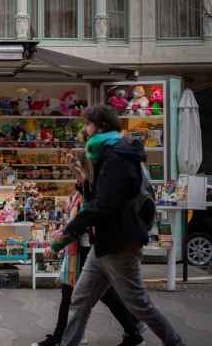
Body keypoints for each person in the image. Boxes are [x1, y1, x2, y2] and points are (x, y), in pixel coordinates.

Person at [54, 105, 184, 346]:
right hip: (104, 242)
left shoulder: (117, 157)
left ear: (100, 127)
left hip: (120, 243)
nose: (85, 130)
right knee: (80, 299)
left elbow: (103, 205)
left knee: (140, 306)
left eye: (87, 124)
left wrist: (68, 232)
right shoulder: (110, 153)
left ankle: (175, 342)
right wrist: (82, 178)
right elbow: (102, 198)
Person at [33, 152, 144, 346]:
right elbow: (77, 221)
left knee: (77, 294)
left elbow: (83, 223)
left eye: (76, 171)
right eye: (72, 171)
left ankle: (62, 337)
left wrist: (57, 244)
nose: (74, 175)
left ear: (87, 170)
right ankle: (133, 329)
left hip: (89, 249)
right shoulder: (82, 190)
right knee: (98, 294)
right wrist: (64, 228)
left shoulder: (91, 192)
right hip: (83, 249)